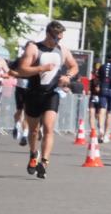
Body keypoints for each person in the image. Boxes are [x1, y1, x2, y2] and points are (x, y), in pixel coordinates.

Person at [15, 21, 78, 179]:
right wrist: (40, 68)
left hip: (52, 93)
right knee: (34, 130)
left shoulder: (62, 50)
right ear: (48, 34)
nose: (58, 41)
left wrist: (67, 76)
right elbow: (22, 69)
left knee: (49, 127)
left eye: (60, 38)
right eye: (56, 38)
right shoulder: (34, 48)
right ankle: (33, 153)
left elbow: (74, 66)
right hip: (34, 93)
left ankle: (44, 162)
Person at [8, 44, 32, 146]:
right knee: (19, 111)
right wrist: (19, 74)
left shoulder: (35, 60)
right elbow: (10, 71)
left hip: (31, 89)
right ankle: (17, 124)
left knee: (27, 113)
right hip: (20, 88)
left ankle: (25, 135)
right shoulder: (19, 60)